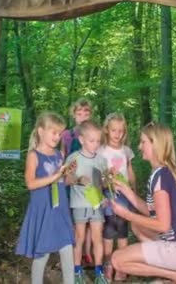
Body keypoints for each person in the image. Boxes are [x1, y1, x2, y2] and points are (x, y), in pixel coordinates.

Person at [109, 122, 176, 284]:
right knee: (138, 226)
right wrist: (127, 191)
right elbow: (153, 212)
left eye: (143, 142)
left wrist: (126, 214)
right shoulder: (170, 171)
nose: (139, 146)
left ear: (155, 144)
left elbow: (162, 225)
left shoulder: (160, 177)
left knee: (118, 260)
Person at [15, 112, 76, 284]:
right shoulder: (33, 155)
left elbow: (63, 181)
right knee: (42, 253)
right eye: (54, 133)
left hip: (60, 210)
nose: (57, 137)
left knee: (67, 248)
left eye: (60, 133)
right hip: (43, 211)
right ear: (41, 132)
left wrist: (68, 174)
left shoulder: (59, 155)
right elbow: (30, 183)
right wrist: (54, 177)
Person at [65, 120, 109, 284]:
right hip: (79, 204)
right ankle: (77, 272)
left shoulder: (101, 160)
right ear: (82, 140)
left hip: (96, 204)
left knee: (98, 238)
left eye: (98, 141)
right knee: (80, 238)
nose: (96, 144)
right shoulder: (74, 157)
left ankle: (99, 272)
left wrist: (108, 182)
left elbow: (102, 183)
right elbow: (66, 179)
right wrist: (78, 179)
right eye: (92, 141)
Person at [98, 113, 136, 281]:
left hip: (125, 193)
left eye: (121, 131)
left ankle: (122, 266)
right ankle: (108, 263)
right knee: (109, 227)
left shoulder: (126, 151)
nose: (117, 134)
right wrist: (105, 182)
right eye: (114, 130)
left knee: (122, 228)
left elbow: (130, 171)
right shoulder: (101, 150)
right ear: (107, 130)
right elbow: (97, 174)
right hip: (108, 192)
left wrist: (134, 191)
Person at [61, 98, 94, 267]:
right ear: (74, 115)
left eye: (86, 112)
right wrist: (66, 176)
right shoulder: (67, 135)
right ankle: (72, 256)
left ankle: (87, 254)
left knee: (88, 220)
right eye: (79, 113)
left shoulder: (94, 133)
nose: (82, 116)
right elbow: (63, 157)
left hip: (89, 182)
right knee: (73, 219)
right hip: (71, 182)